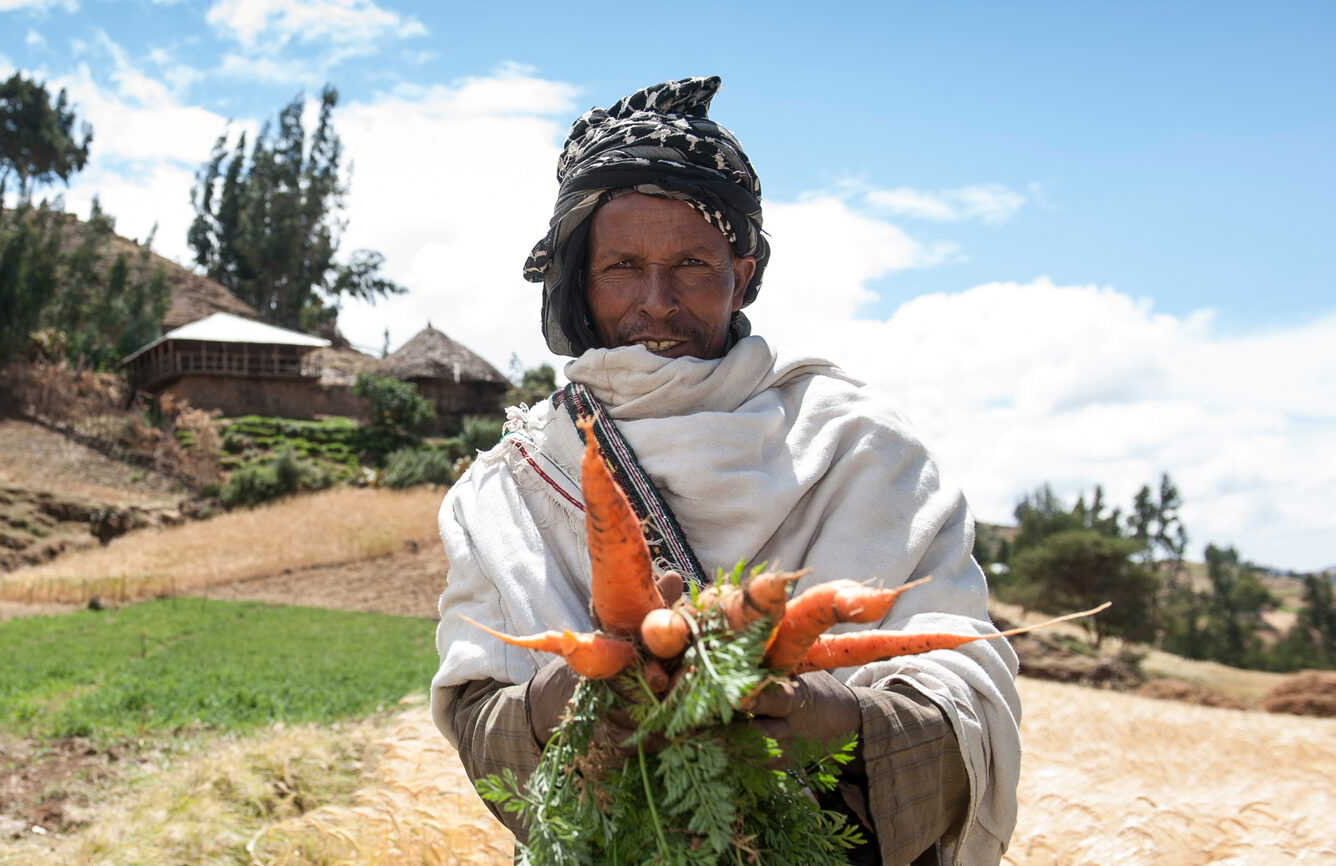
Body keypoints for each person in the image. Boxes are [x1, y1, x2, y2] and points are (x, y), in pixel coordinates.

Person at [430, 77, 1020, 866]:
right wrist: (554, 703)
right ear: (578, 278)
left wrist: (836, 718)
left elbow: (970, 692)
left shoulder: (861, 447)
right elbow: (477, 713)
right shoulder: (511, 483)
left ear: (741, 275)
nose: (657, 301)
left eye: (693, 265)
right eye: (622, 267)